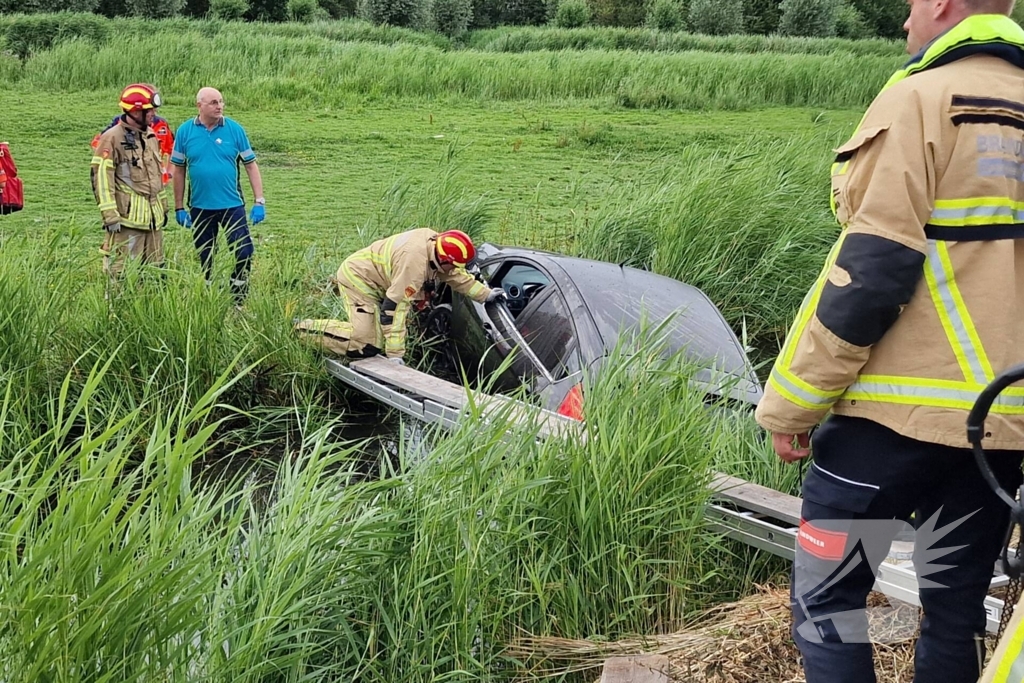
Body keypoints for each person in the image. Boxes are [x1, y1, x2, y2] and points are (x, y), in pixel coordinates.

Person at [754, 3, 1024, 682]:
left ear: (940, 5)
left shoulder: (920, 99)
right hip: (1002, 434)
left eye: (909, 6)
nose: (906, 22)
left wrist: (792, 405)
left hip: (887, 428)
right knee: (955, 612)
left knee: (831, 604)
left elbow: (870, 275)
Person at [294, 228, 505, 362]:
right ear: (446, 259)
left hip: (381, 281)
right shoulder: (413, 265)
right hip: (359, 281)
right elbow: (393, 309)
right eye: (455, 265)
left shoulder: (436, 248)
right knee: (366, 345)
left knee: (372, 339)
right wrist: (396, 356)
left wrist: (486, 295)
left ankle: (321, 329)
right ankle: (301, 330)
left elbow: (457, 277)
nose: (456, 269)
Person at [170, 87, 265, 305]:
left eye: (221, 101)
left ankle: (238, 295)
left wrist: (259, 200)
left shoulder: (234, 130)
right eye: (213, 102)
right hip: (200, 207)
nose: (219, 106)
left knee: (244, 252)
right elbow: (179, 170)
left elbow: (251, 165)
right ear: (199, 105)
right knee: (205, 255)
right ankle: (208, 294)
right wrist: (178, 207)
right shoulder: (185, 131)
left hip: (232, 204)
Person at [90, 83, 168, 278]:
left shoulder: (150, 135)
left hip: (153, 221)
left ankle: (149, 308)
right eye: (149, 110)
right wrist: (110, 216)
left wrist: (163, 208)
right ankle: (116, 308)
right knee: (122, 274)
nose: (154, 114)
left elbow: (157, 177)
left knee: (154, 273)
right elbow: (101, 178)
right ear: (134, 112)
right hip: (126, 222)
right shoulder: (111, 138)